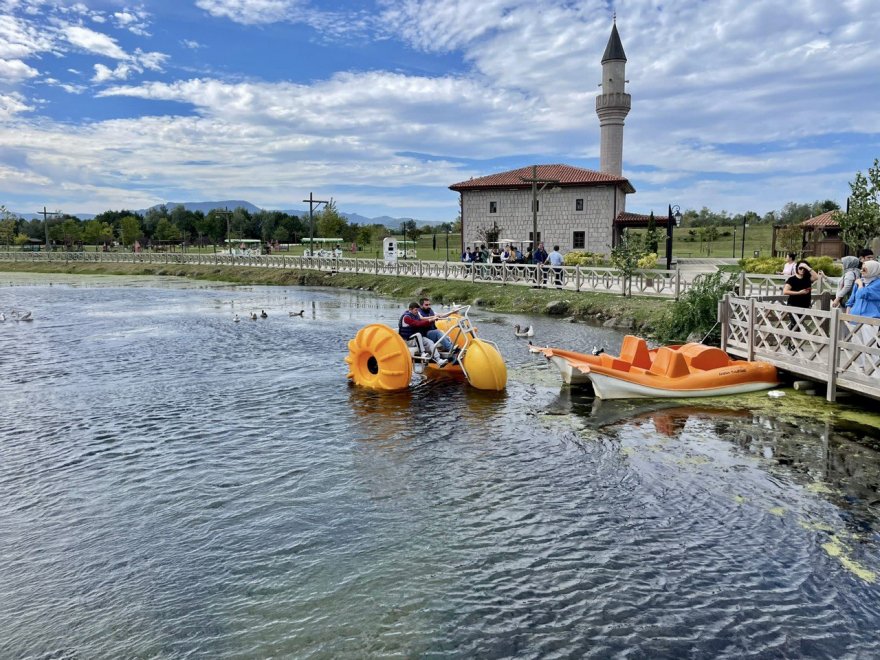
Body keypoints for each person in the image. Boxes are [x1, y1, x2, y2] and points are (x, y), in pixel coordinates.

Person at [845, 260, 880, 374]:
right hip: (855, 318)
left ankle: (876, 372)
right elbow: (852, 299)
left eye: (865, 268)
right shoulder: (860, 281)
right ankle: (860, 369)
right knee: (857, 346)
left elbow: (862, 294)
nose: (862, 271)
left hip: (870, 318)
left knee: (871, 345)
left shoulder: (877, 283)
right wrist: (848, 313)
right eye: (862, 268)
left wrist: (860, 284)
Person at [399, 302, 447, 367]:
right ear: (410, 309)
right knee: (418, 334)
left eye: (418, 310)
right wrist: (430, 320)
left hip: (416, 339)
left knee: (430, 342)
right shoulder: (406, 317)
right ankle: (422, 353)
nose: (417, 311)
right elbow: (417, 324)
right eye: (415, 310)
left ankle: (438, 360)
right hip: (408, 340)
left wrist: (432, 319)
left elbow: (421, 321)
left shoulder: (416, 315)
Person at [783, 261, 813, 339]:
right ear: (796, 268)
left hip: (804, 305)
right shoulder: (792, 279)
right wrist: (798, 293)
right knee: (795, 324)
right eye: (800, 268)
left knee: (799, 325)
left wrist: (808, 268)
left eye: (804, 268)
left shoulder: (807, 279)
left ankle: (793, 345)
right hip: (793, 304)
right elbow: (785, 291)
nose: (802, 270)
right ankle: (791, 344)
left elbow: (817, 277)